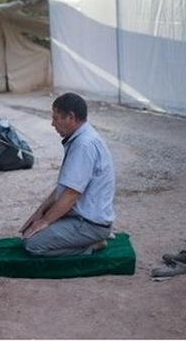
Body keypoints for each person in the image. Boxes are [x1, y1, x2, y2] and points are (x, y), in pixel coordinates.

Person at [19, 93, 116, 256]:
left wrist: (45, 221)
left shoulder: (84, 145)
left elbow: (71, 194)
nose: (52, 124)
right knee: (29, 230)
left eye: (56, 118)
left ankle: (93, 244)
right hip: (81, 218)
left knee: (32, 244)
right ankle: (89, 238)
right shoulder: (81, 139)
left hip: (90, 224)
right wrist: (39, 213)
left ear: (70, 117)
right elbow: (63, 188)